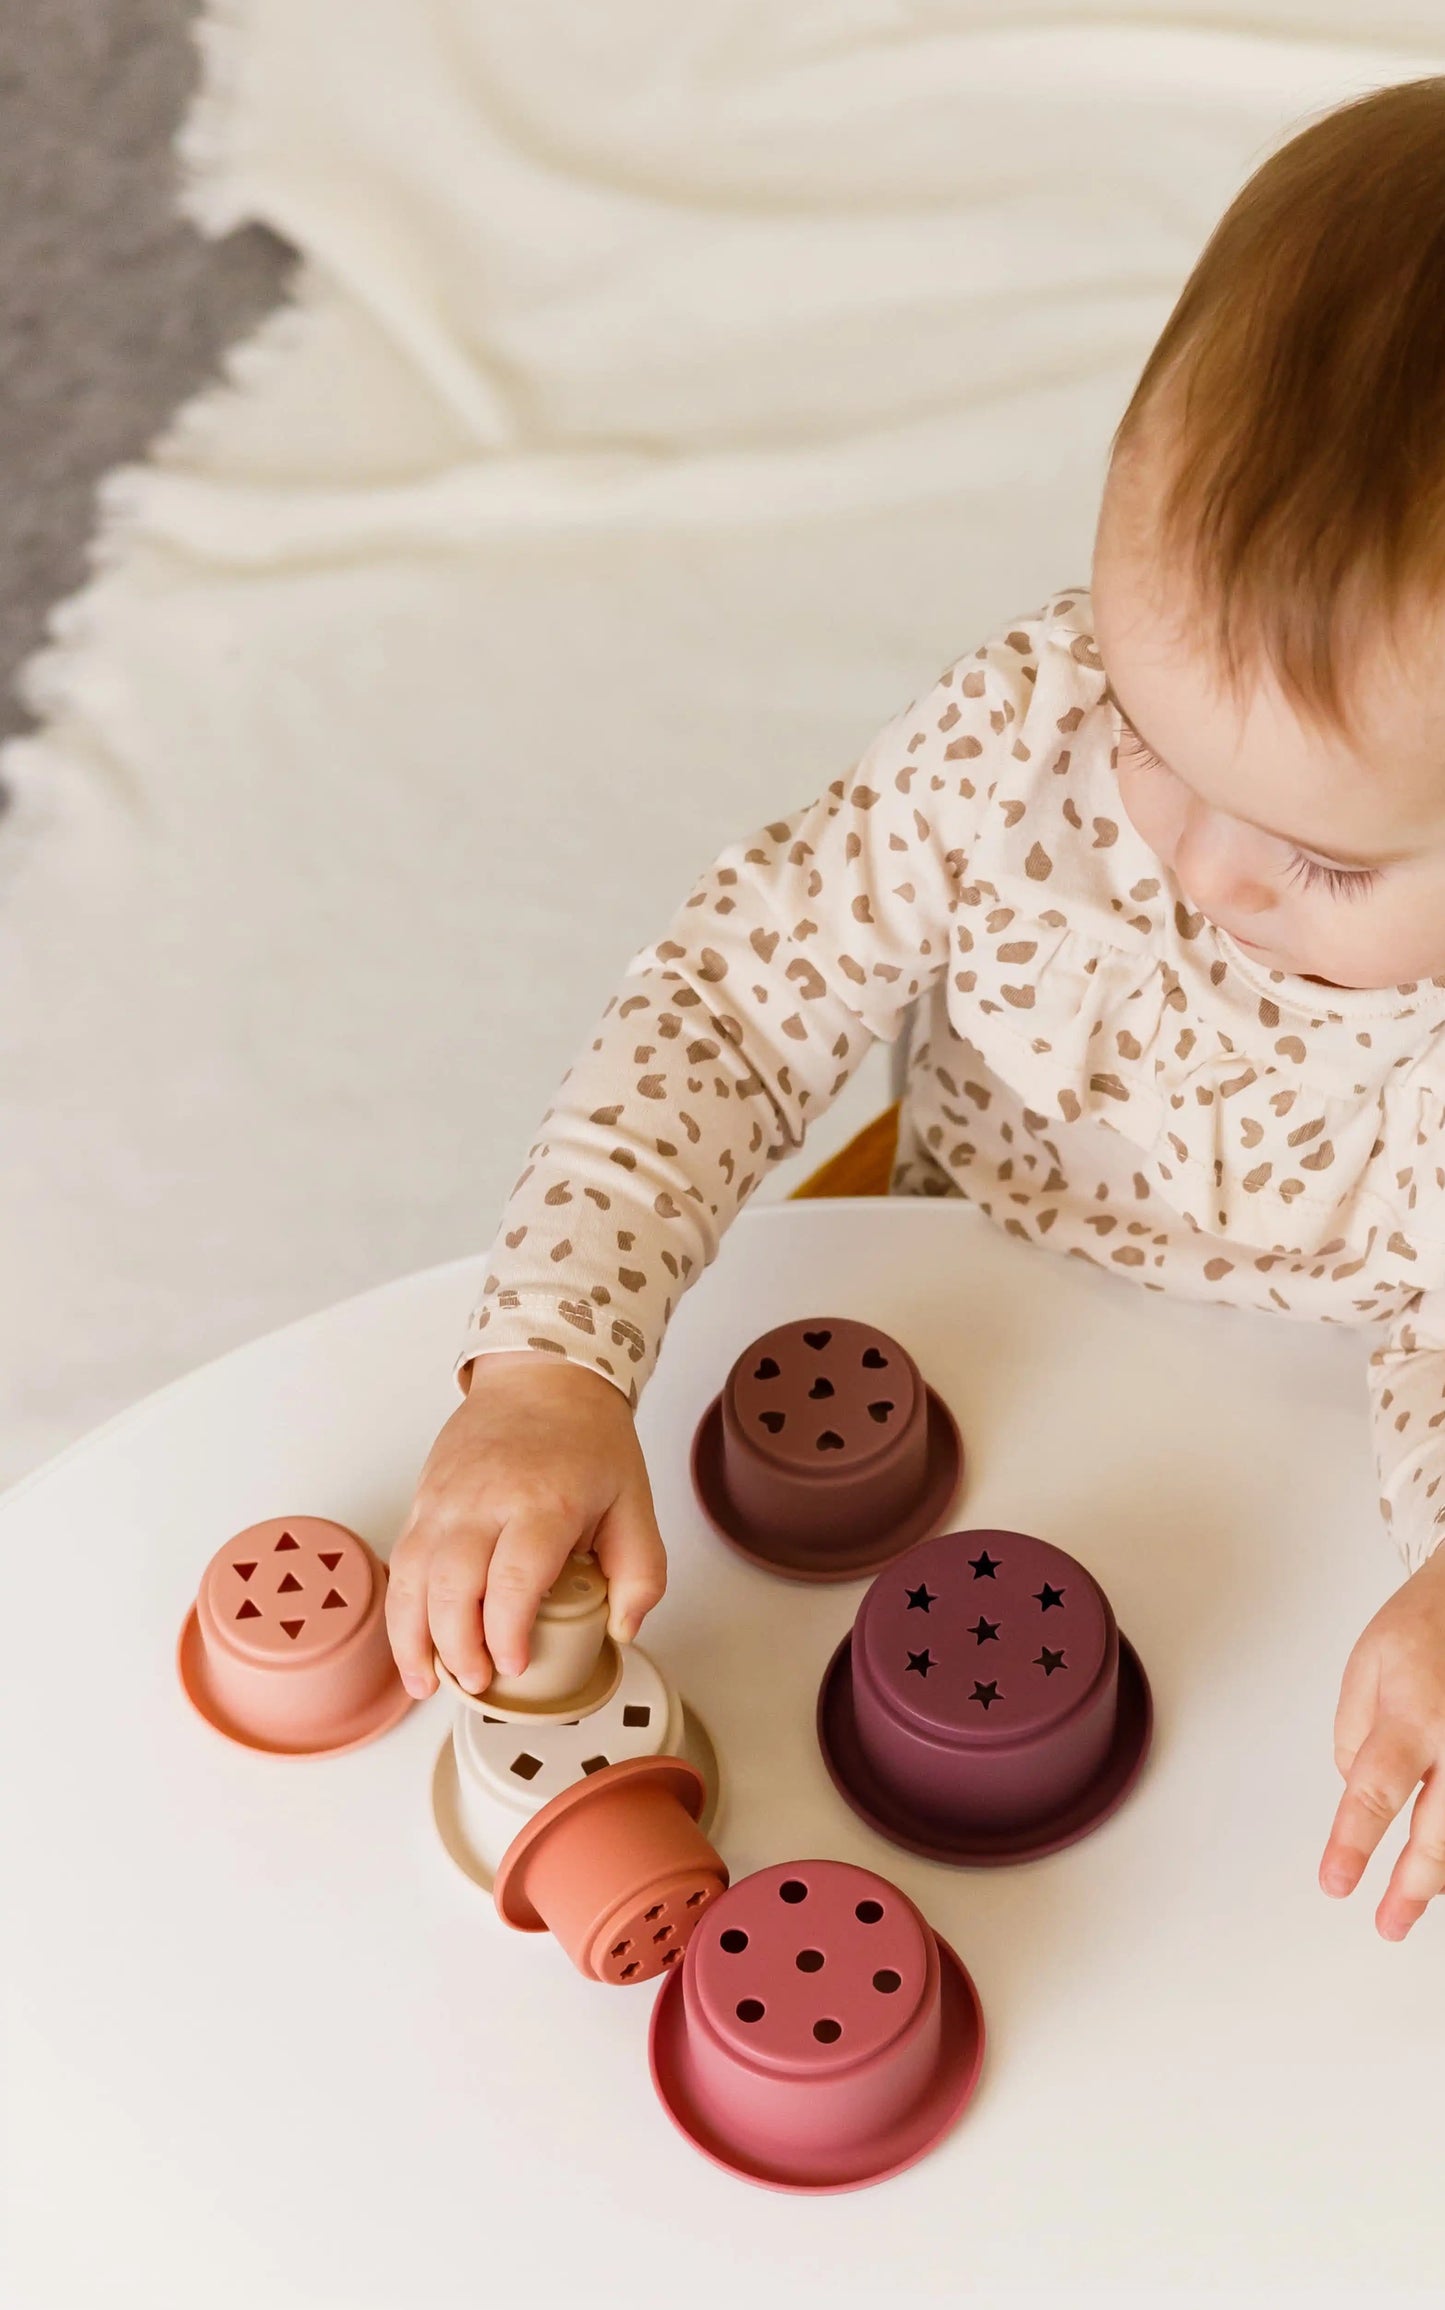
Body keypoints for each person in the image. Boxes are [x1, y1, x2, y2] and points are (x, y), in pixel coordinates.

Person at [387, 78, 1445, 1942]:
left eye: (1320, 866)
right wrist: (553, 1359)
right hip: (933, 1232)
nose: (1185, 864)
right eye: (1149, 730)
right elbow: (725, 1004)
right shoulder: (1028, 732)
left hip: (1306, 1439)